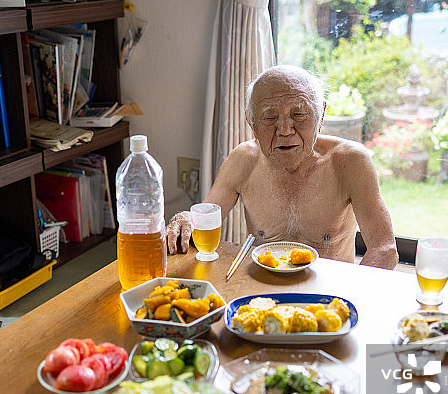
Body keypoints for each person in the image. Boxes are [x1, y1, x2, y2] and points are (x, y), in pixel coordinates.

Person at [166, 65, 399, 270]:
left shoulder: (350, 161)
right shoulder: (243, 160)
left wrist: (349, 298)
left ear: (320, 117)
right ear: (252, 123)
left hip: (329, 293)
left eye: (299, 114)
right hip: (260, 288)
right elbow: (203, 219)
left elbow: (385, 249)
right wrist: (185, 219)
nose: (285, 130)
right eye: (269, 117)